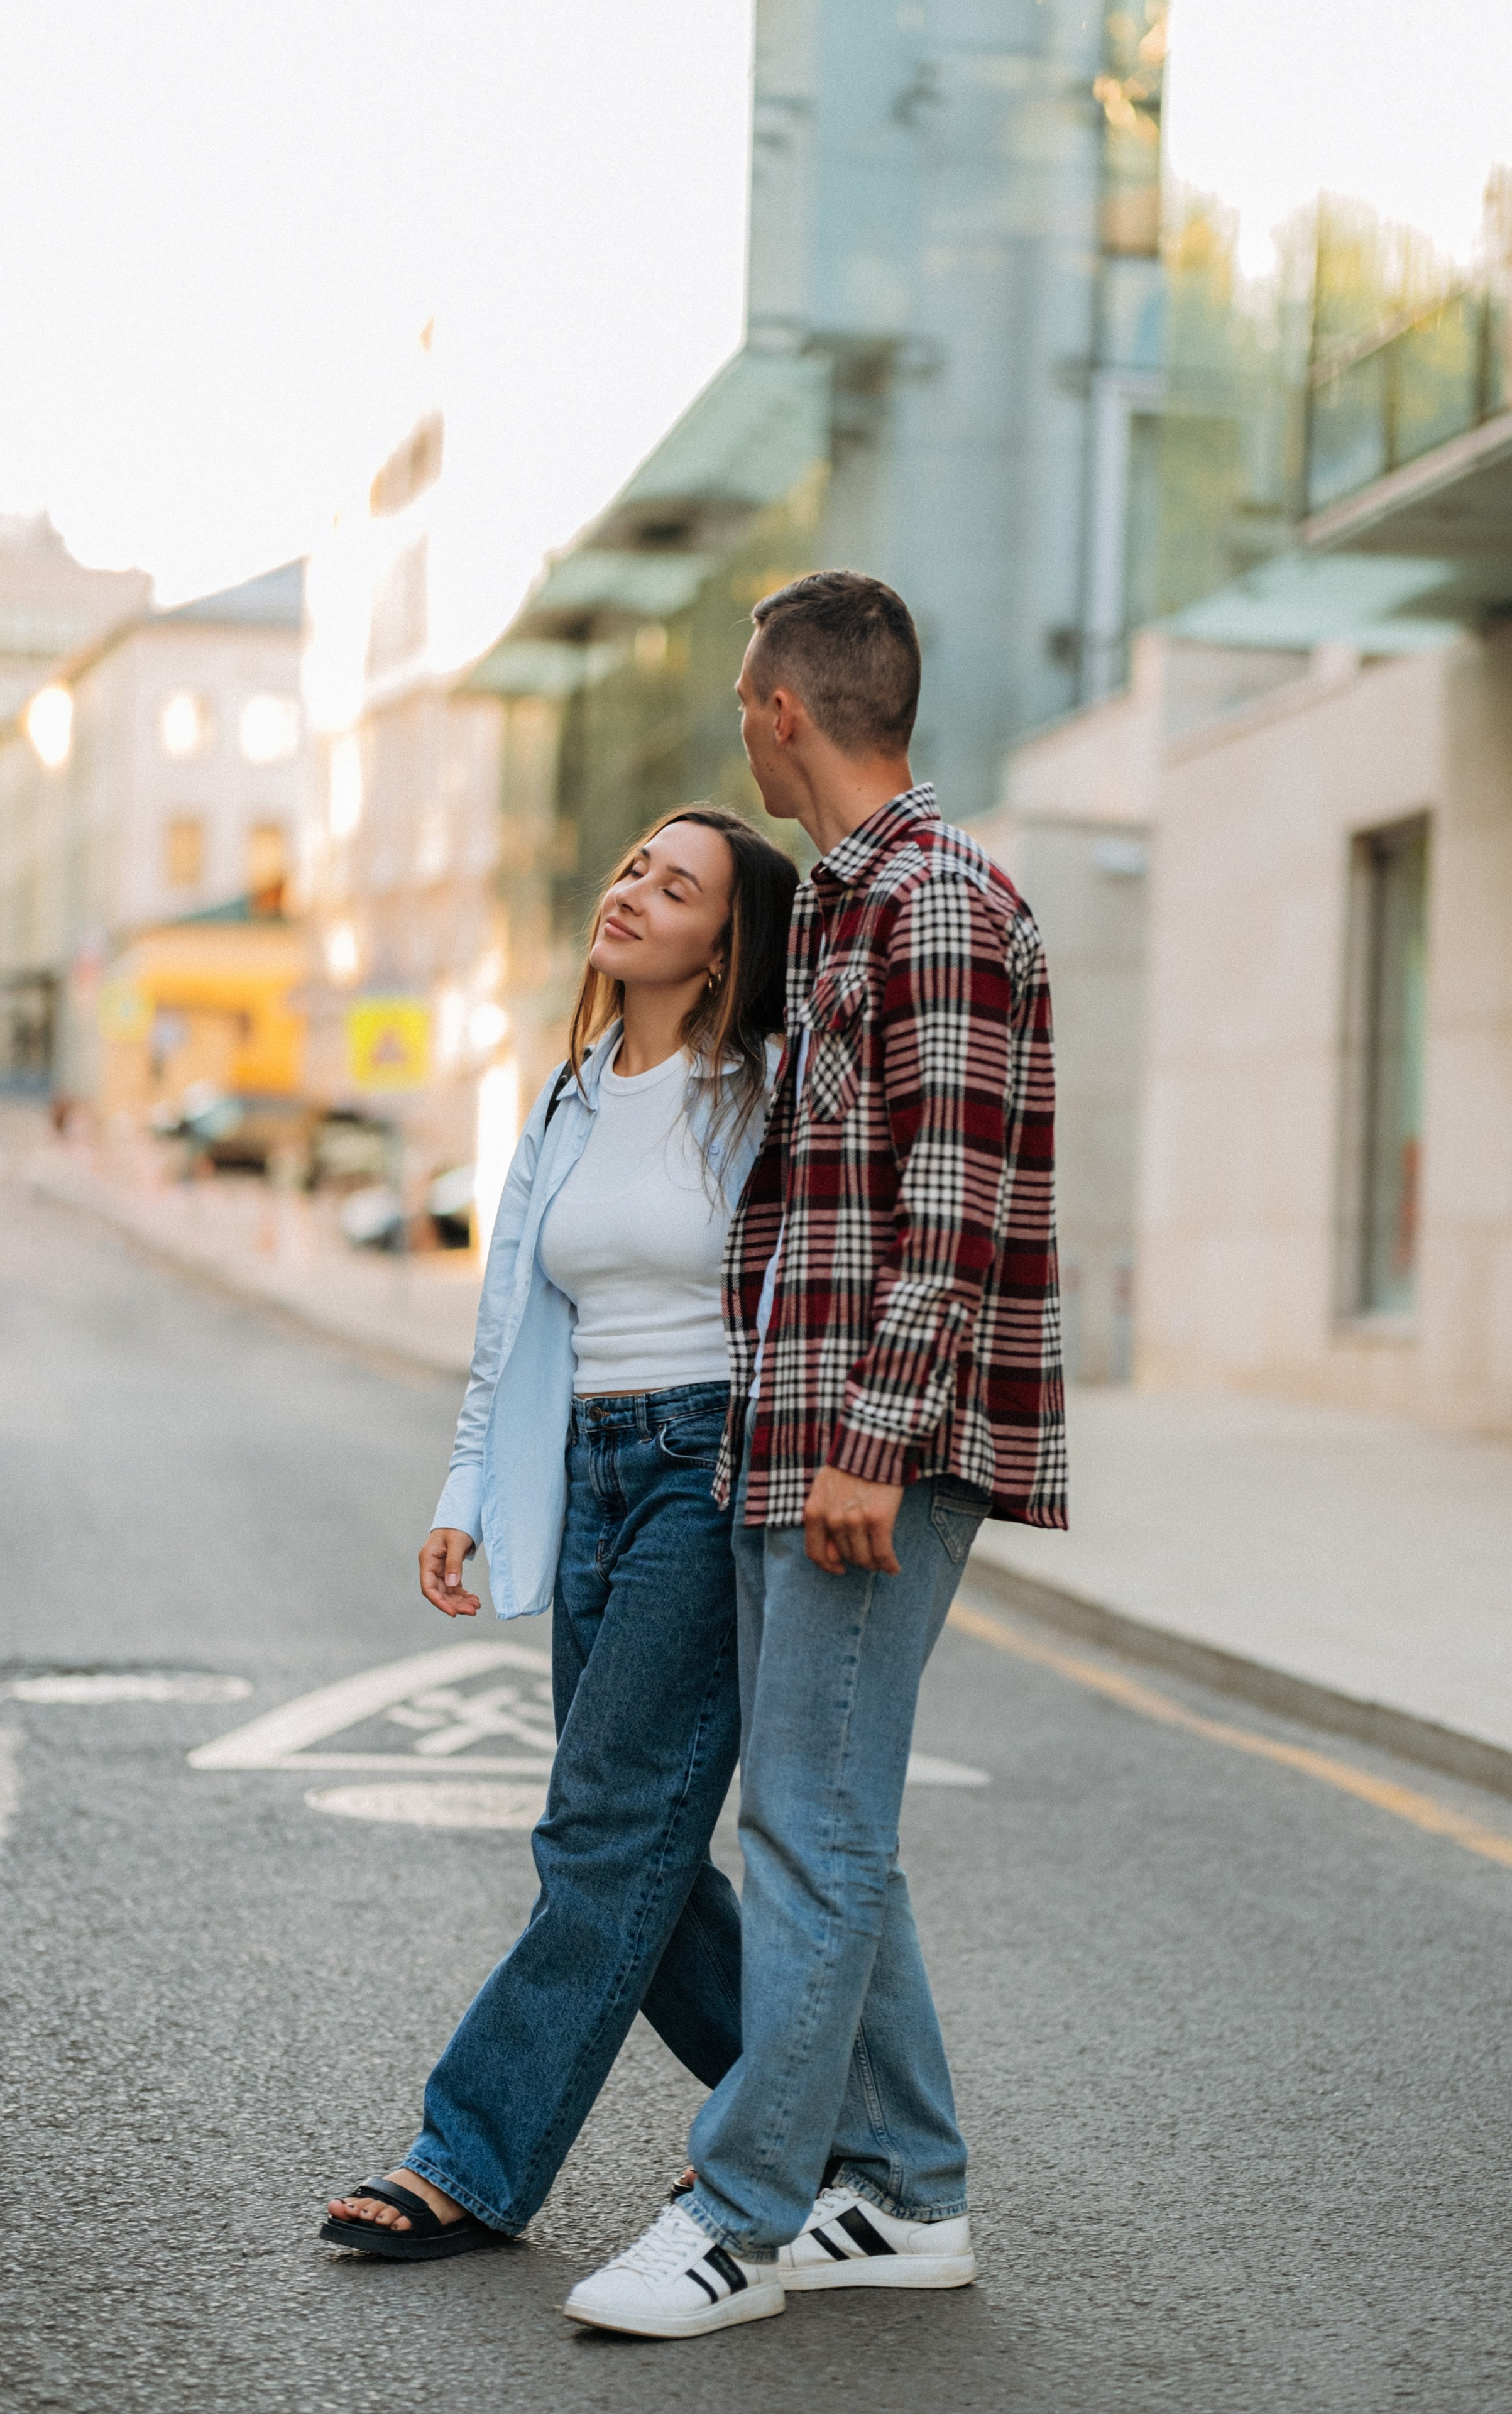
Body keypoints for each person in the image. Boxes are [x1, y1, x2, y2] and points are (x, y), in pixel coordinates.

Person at [562, 571, 1068, 2339]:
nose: (741, 731)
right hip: (796, 1434)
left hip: (867, 1448)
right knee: (824, 1821)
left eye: (740, 704)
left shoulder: (936, 903)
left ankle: (743, 2216)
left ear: (784, 710)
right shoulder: (852, 907)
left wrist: (874, 1440)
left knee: (812, 1831)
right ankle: (910, 2192)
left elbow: (953, 1204)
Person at [320, 804, 799, 2259]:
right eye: (634, 867)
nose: (632, 891)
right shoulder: (573, 1092)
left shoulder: (766, 1089)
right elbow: (513, 1318)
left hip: (702, 1475)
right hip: (588, 1469)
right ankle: (829, 2120)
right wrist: (465, 1489)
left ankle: (469, 2152)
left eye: (677, 886)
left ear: (726, 946)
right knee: (643, 1849)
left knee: (598, 1830)